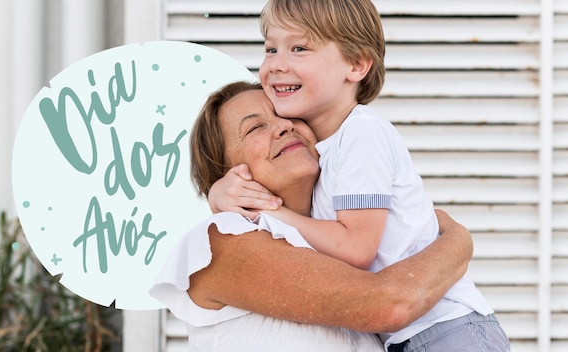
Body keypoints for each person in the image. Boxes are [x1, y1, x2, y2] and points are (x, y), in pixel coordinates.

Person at [207, 1, 511, 351]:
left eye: (299, 48)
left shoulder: (362, 135)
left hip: (446, 327)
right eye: (270, 48)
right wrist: (222, 192)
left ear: (356, 64)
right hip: (408, 336)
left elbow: (355, 250)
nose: (275, 63)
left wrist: (269, 210)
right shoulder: (320, 151)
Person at [149, 81, 474, 352]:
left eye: (288, 114)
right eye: (255, 127)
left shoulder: (338, 237)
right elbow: (390, 304)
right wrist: (459, 240)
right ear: (227, 172)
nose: (284, 125)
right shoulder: (223, 238)